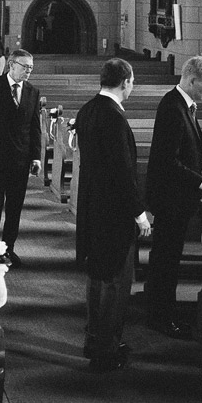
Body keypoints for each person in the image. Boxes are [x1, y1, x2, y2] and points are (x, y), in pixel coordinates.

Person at [144, 56, 202, 338]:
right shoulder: (172, 107)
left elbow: (181, 150)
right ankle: (161, 317)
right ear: (192, 81)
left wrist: (198, 164)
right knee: (166, 259)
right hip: (171, 198)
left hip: (178, 196)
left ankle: (158, 308)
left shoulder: (185, 105)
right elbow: (166, 161)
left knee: (167, 256)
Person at [75, 59, 151, 373]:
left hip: (92, 208)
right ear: (126, 82)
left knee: (96, 278)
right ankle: (106, 350)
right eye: (132, 83)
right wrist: (139, 214)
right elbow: (123, 173)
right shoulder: (114, 118)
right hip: (114, 214)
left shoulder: (87, 110)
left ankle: (93, 339)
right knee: (115, 283)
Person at [0, 49, 43, 265]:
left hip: (21, 159)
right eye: (25, 67)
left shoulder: (32, 92)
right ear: (11, 65)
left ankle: (9, 248)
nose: (28, 72)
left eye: (31, 68)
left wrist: (36, 157)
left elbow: (35, 127)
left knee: (15, 207)